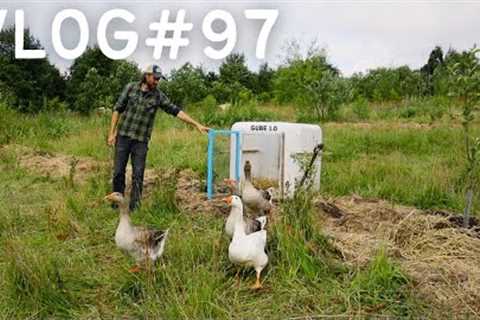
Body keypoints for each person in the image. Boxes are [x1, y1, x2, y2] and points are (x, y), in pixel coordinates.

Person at [107, 64, 209, 212]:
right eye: (155, 78)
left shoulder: (158, 96)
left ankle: (135, 208)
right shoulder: (130, 88)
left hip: (141, 141)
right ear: (146, 76)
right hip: (123, 137)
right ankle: (117, 203)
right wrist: (112, 133)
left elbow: (176, 111)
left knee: (138, 174)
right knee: (118, 172)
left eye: (159, 79)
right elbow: (117, 109)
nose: (157, 82)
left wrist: (196, 124)